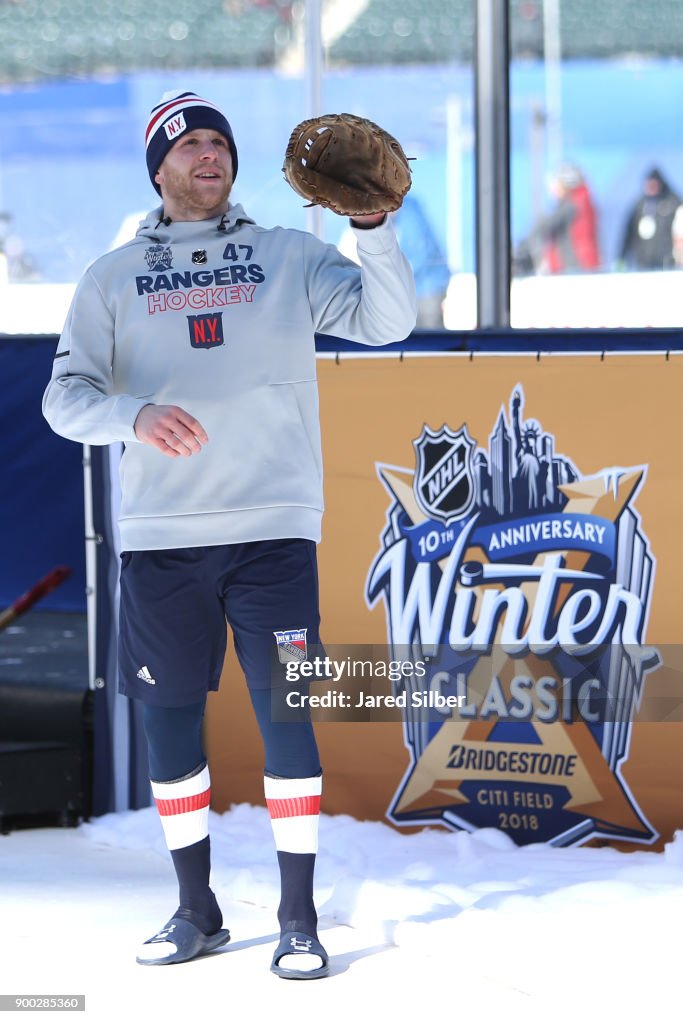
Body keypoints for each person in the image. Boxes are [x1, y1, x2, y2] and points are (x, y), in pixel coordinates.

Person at [42, 91, 416, 978]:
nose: (209, 154)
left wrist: (370, 225)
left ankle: (296, 918)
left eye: (219, 142)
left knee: (291, 715)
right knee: (171, 733)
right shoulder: (112, 276)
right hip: (162, 537)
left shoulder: (288, 256)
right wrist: (134, 417)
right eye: (190, 143)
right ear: (159, 167)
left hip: (274, 531)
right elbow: (65, 400)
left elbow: (385, 320)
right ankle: (193, 909)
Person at [338, 193, 450, 328]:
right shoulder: (400, 212)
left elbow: (417, 257)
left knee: (425, 339)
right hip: (412, 291)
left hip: (426, 291)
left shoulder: (409, 213)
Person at [513, 164, 600, 275]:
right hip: (581, 266)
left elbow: (545, 225)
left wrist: (521, 247)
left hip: (575, 267)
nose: (552, 189)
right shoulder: (582, 202)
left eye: (556, 184)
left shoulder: (571, 205)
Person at [619, 166, 681, 271]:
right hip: (643, 263)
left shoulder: (673, 203)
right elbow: (628, 233)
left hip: (668, 264)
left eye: (654, 184)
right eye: (649, 184)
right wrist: (621, 256)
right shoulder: (639, 205)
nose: (651, 187)